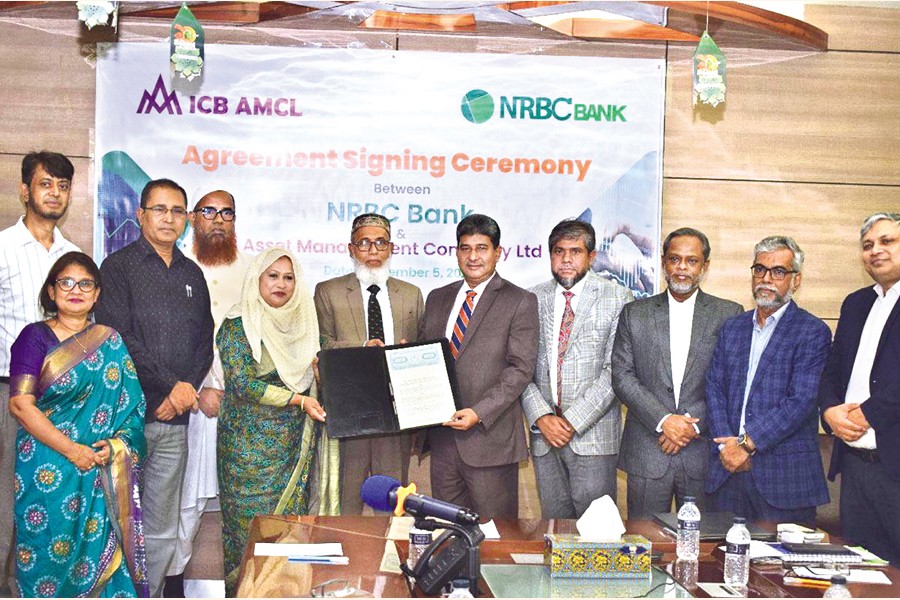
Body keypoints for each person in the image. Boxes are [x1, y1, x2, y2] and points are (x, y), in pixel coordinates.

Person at [95, 178, 214, 597]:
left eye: (177, 211)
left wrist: (184, 392)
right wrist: (170, 389)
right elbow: (119, 337)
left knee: (162, 525)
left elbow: (205, 340)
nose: (168, 218)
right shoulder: (117, 267)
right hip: (128, 418)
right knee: (116, 518)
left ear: (187, 220)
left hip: (175, 422)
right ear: (141, 215)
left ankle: (150, 592)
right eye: (159, 209)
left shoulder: (192, 273)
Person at [9, 252, 148, 597]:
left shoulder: (110, 340)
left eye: (86, 284)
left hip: (99, 468)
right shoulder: (34, 337)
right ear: (52, 291)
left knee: (100, 556)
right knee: (45, 553)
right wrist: (72, 451)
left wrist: (115, 447)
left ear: (97, 293)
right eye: (66, 282)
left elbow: (132, 407)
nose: (76, 290)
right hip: (47, 464)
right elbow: (20, 404)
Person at [216, 248, 330, 594]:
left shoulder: (305, 324)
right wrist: (298, 399)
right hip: (246, 454)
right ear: (257, 279)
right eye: (273, 276)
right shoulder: (237, 325)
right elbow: (242, 384)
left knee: (290, 531)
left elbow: (319, 374)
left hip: (292, 448)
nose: (281, 284)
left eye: (288, 277)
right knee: (249, 532)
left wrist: (321, 377)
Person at [613, 228, 742, 519]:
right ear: (663, 262)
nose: (682, 268)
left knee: (703, 541)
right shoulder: (635, 313)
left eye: (691, 261)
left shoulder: (728, 314)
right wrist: (664, 421)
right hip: (647, 450)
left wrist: (689, 426)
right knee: (645, 542)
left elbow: (732, 382)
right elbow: (622, 376)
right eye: (674, 259)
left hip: (702, 451)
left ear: (705, 266)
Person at [705, 236, 830, 524]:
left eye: (778, 271)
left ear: (796, 280)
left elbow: (801, 401)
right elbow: (714, 388)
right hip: (727, 474)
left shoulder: (812, 331)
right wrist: (727, 448)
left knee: (779, 555)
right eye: (760, 269)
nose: (766, 279)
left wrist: (745, 444)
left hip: (783, 481)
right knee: (721, 551)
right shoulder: (732, 327)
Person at [0, 151, 80, 596]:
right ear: (24, 190)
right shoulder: (3, 248)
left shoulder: (75, 257)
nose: (55, 193)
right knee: (4, 502)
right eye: (46, 183)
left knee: (46, 503)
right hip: (9, 395)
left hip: (62, 402)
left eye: (62, 186)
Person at [423, 214, 538, 519]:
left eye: (482, 248)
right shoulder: (437, 298)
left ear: (498, 252)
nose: (473, 256)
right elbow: (426, 358)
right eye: (465, 248)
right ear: (456, 253)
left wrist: (479, 412)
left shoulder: (520, 301)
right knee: (447, 530)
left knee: (494, 535)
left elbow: (520, 370)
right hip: (443, 441)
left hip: (491, 441)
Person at [168, 189, 252, 593]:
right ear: (192, 217)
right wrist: (199, 388)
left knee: (243, 500)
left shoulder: (253, 270)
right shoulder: (175, 267)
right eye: (209, 211)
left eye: (226, 213)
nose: (218, 220)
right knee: (186, 500)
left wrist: (226, 388)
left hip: (242, 403)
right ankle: (172, 582)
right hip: (187, 400)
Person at [521, 219, 632, 518]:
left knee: (597, 533)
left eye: (575, 251)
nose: (566, 260)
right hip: (545, 438)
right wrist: (542, 417)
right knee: (554, 529)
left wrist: (571, 421)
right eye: (559, 252)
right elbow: (520, 367)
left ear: (592, 257)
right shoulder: (531, 299)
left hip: (593, 437)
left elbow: (616, 371)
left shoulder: (618, 298)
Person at [314, 213, 424, 513]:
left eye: (380, 243)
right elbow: (321, 345)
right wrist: (363, 349)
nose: (373, 251)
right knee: (346, 502)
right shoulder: (329, 291)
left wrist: (409, 353)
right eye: (364, 243)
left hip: (395, 417)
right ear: (351, 249)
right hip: (350, 412)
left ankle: (388, 546)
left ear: (391, 248)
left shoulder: (411, 294)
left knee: (392, 502)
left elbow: (422, 350)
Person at [819, 213, 900, 565]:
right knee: (861, 569)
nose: (875, 250)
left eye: (887, 241)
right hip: (855, 465)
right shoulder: (855, 303)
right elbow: (832, 368)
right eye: (867, 245)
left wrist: (867, 414)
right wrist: (829, 411)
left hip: (895, 464)